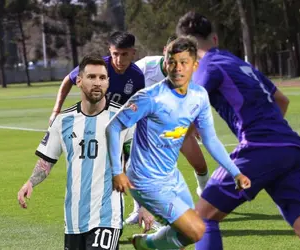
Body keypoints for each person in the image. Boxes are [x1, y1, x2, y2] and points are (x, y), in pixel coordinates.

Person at [176, 11, 300, 250]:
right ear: (214, 39)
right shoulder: (239, 63)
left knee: (202, 217)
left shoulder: (207, 66)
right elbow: (282, 100)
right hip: (292, 147)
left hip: (258, 148)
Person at [105, 36, 251, 250]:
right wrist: (118, 172)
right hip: (146, 180)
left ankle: (146, 245)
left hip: (172, 177)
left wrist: (235, 172)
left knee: (188, 233)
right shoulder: (149, 97)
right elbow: (113, 126)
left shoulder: (199, 96)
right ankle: (147, 243)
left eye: (183, 62)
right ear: (165, 62)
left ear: (195, 65)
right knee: (195, 230)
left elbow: (210, 139)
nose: (177, 68)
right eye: (171, 62)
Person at [17, 55, 132, 250]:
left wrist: (145, 205)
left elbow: (138, 164)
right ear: (79, 81)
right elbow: (47, 160)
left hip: (107, 216)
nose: (97, 83)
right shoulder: (63, 121)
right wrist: (31, 182)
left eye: (102, 78)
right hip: (73, 218)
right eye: (92, 77)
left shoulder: (123, 119)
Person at [124, 35, 210, 229]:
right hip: (147, 129)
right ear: (164, 50)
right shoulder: (145, 66)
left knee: (200, 165)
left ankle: (206, 198)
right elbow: (128, 87)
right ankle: (139, 211)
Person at [49, 31, 145, 124]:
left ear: (133, 53)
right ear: (110, 51)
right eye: (115, 54)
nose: (119, 60)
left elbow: (138, 105)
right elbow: (69, 79)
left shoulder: (137, 77)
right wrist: (56, 111)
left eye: (124, 54)